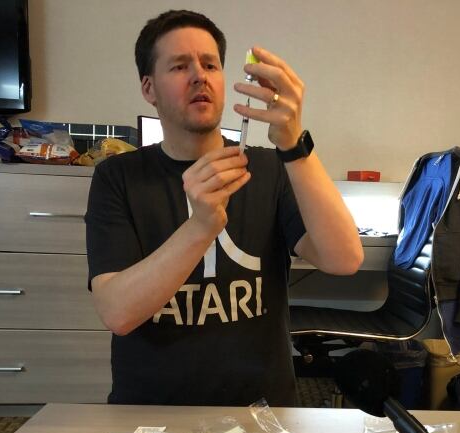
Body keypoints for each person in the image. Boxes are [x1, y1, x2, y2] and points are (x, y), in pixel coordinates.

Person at [85, 10, 362, 406]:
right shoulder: (118, 177)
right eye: (180, 66)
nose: (199, 75)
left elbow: (344, 259)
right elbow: (117, 313)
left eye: (210, 64)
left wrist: (293, 144)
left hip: (262, 412)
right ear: (149, 88)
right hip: (151, 411)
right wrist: (200, 227)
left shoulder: (269, 168)